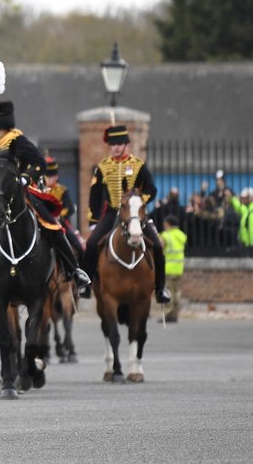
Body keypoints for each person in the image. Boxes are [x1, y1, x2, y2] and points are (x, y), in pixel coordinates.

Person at [0, 97, 91, 292]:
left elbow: (39, 163)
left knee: (51, 224)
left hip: (21, 194)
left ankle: (75, 269)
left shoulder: (18, 140)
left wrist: (25, 178)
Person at [83, 124, 170, 303]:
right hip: (113, 212)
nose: (115, 147)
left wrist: (139, 202)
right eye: (112, 144)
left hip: (136, 213)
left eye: (119, 144)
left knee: (158, 246)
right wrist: (93, 220)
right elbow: (95, 195)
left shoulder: (138, 165)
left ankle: (161, 289)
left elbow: (151, 189)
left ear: (126, 145)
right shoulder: (103, 167)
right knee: (91, 244)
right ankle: (87, 284)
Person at [44, 156, 85, 263]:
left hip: (60, 222)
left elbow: (70, 209)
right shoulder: (39, 189)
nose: (48, 179)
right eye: (46, 176)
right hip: (42, 221)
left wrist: (58, 215)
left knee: (77, 245)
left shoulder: (62, 190)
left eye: (51, 176)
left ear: (56, 176)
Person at [159, 215, 187, 322]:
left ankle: (168, 313)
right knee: (176, 292)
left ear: (168, 224)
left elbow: (159, 246)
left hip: (168, 268)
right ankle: (175, 313)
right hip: (179, 268)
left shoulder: (166, 235)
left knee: (168, 291)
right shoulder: (181, 235)